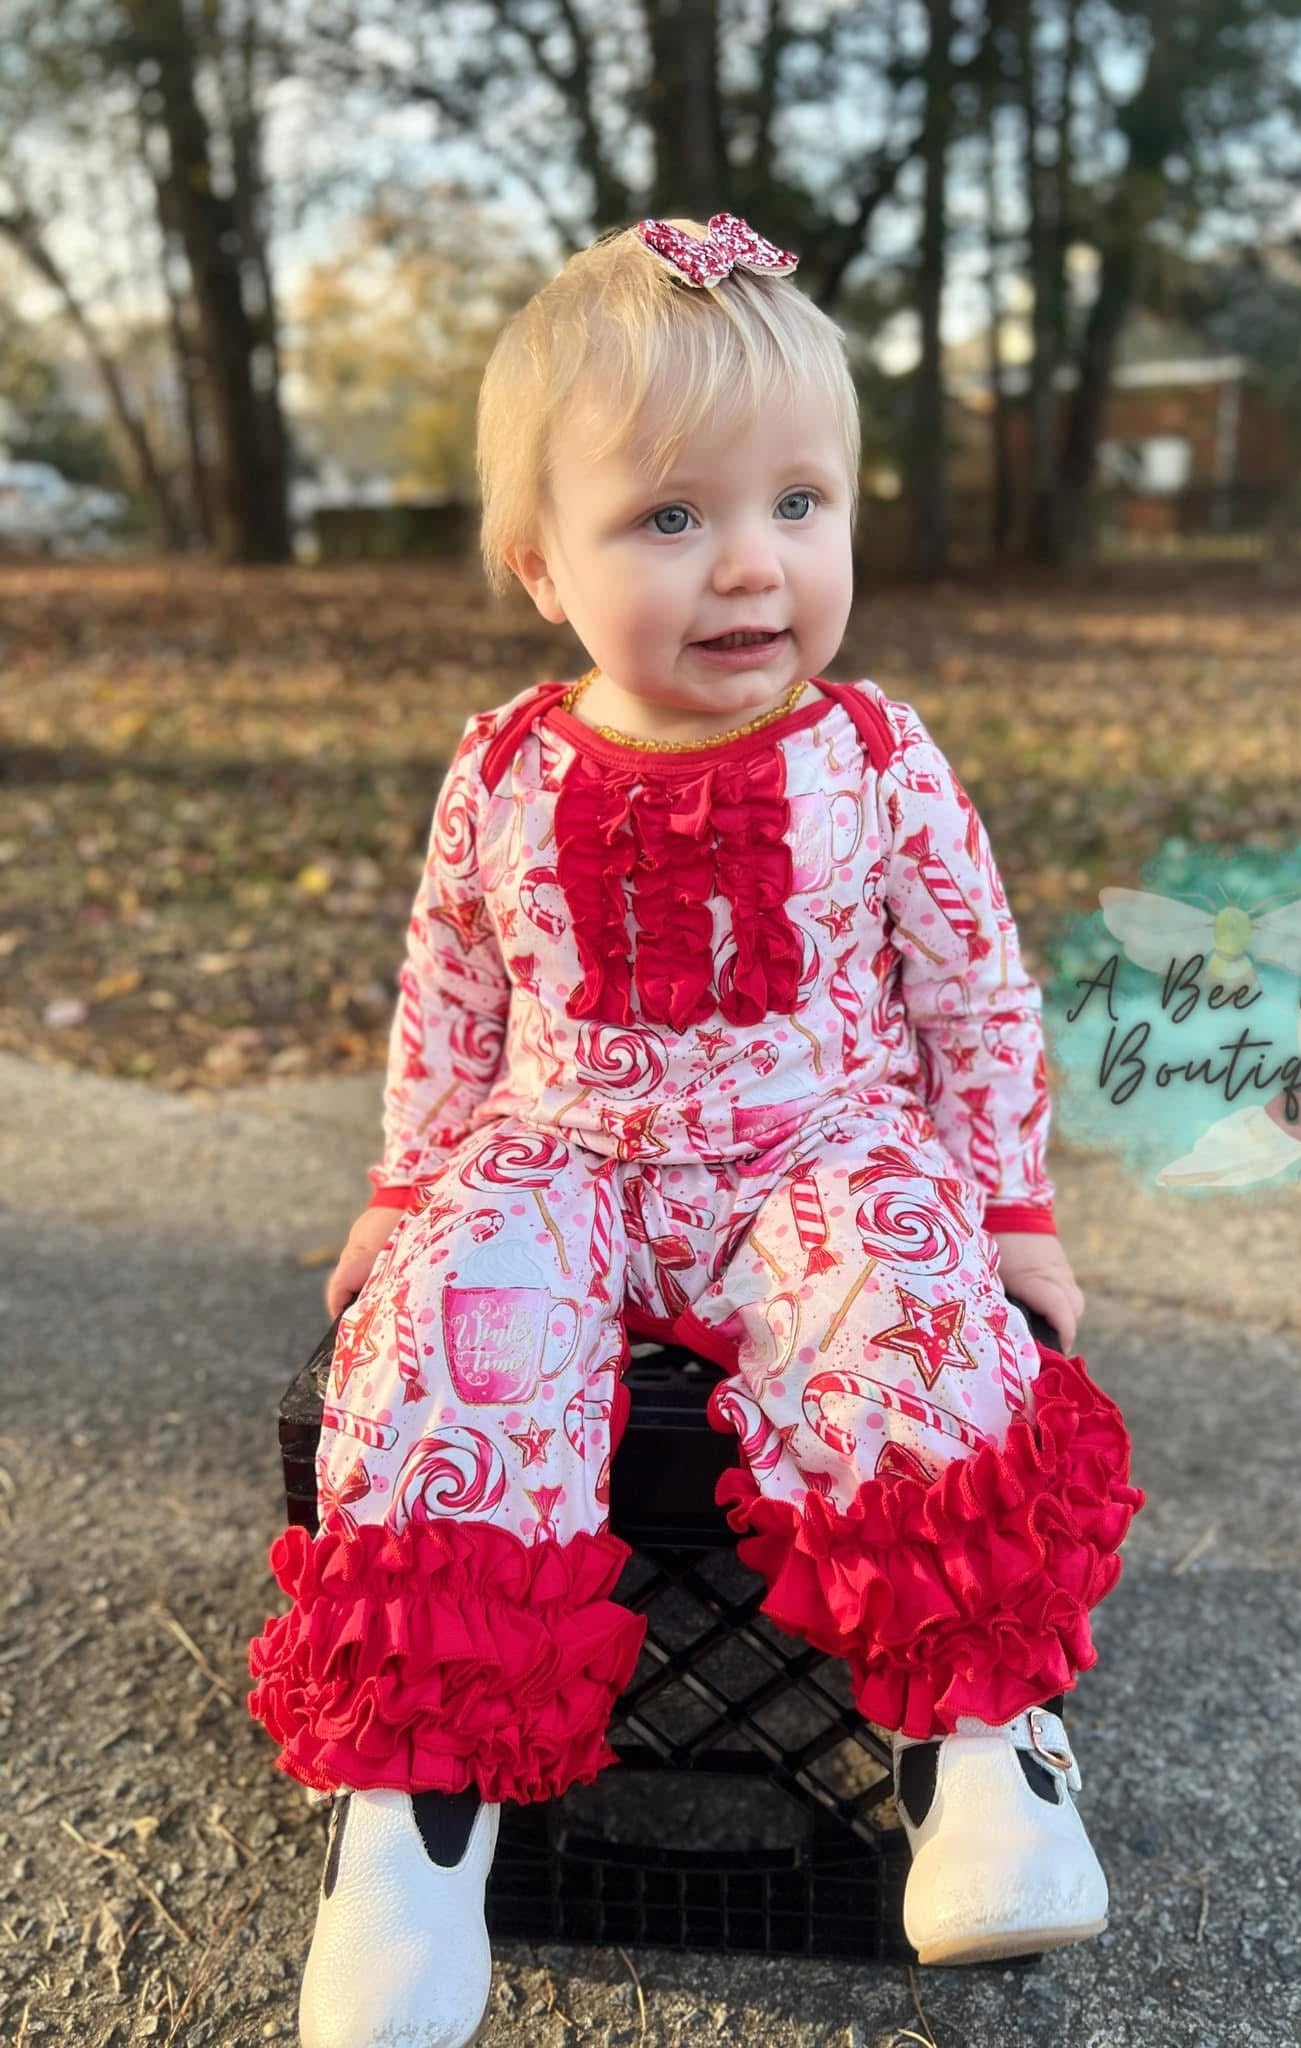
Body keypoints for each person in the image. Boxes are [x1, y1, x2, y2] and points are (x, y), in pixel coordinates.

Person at [246, 211, 1146, 2048]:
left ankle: (977, 1752)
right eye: (672, 518)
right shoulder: (504, 769)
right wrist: (406, 1192)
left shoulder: (876, 757)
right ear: (537, 562)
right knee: (440, 1348)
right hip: (561, 1148)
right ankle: (413, 1843)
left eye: (800, 505)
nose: (752, 565)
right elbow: (455, 1003)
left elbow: (973, 996)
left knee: (902, 1312)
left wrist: (1011, 1211)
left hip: (815, 1141)